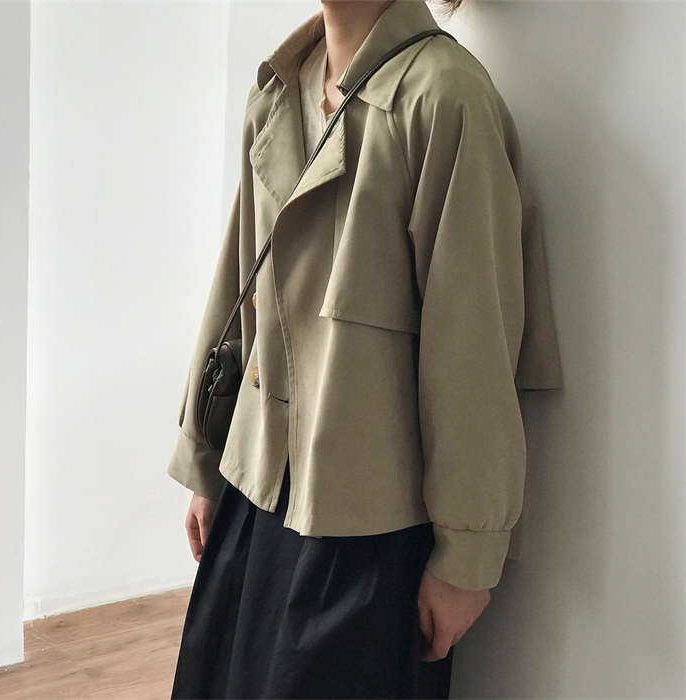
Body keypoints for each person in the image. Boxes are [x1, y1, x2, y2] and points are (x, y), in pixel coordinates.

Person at [167, 0, 564, 697]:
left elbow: (473, 350)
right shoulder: (279, 89)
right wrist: (206, 457)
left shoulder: (445, 98)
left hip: (366, 527)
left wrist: (467, 557)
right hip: (254, 492)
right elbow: (238, 283)